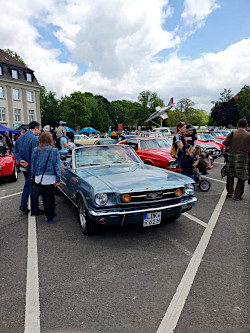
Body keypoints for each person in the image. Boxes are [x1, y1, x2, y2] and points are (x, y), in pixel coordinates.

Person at [12, 121, 43, 215]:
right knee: (33, 188)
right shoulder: (34, 139)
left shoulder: (21, 137)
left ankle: (23, 206)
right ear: (36, 128)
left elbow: (14, 151)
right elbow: (35, 157)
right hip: (31, 168)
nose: (40, 130)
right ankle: (34, 208)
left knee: (27, 186)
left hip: (23, 167)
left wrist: (20, 159)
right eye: (40, 128)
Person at [31, 132, 61, 224]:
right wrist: (58, 179)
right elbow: (57, 166)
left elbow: (33, 165)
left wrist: (33, 176)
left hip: (39, 177)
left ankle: (49, 218)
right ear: (50, 139)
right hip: (51, 178)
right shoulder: (54, 150)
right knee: (51, 197)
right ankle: (51, 214)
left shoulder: (36, 150)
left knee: (45, 198)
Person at [222, 119, 250, 200]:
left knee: (230, 175)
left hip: (231, 157)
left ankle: (230, 192)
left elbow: (224, 143)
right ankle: (237, 195)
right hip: (242, 157)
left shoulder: (232, 133)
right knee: (241, 177)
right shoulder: (248, 135)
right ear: (246, 125)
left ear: (237, 125)